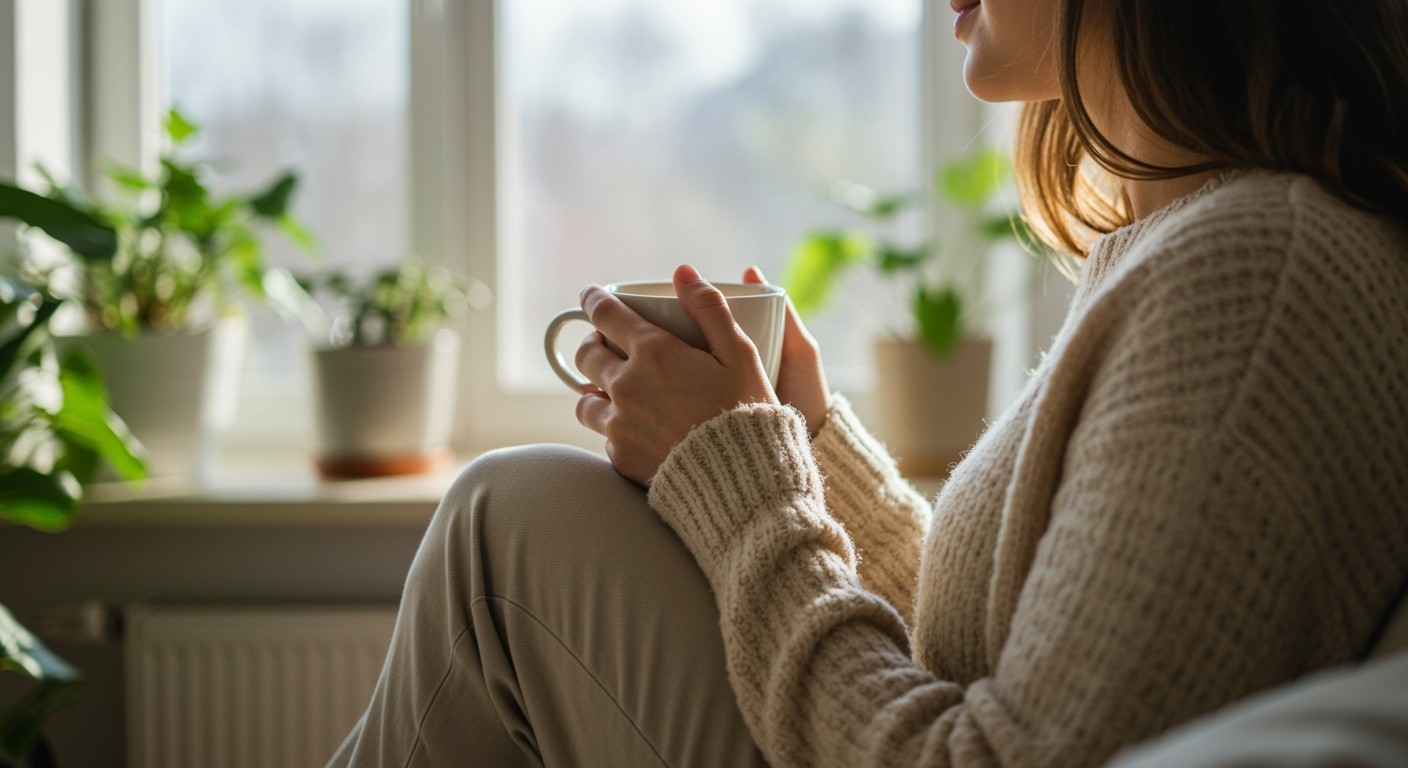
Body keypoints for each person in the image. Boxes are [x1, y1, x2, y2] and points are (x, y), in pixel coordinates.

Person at [330, 0, 1408, 765]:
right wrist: (805, 450)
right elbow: (1003, 652)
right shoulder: (1210, 241)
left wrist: (741, 480)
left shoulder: (1259, 276)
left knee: (507, 526)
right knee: (517, 513)